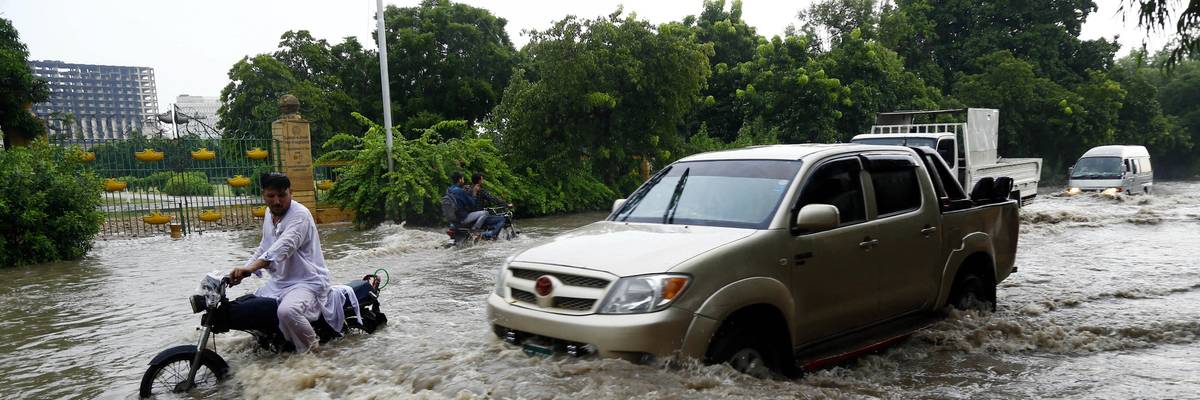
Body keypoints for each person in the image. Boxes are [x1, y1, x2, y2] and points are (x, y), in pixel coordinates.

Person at [229, 172, 337, 354]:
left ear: (291, 192)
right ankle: (277, 344)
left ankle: (315, 354)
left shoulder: (300, 215)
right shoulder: (268, 213)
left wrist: (251, 268)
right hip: (280, 282)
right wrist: (242, 271)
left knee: (287, 312)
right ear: (263, 194)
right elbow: (264, 247)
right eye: (271, 196)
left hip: (307, 281)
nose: (277, 201)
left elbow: (282, 248)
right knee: (254, 309)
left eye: (282, 195)